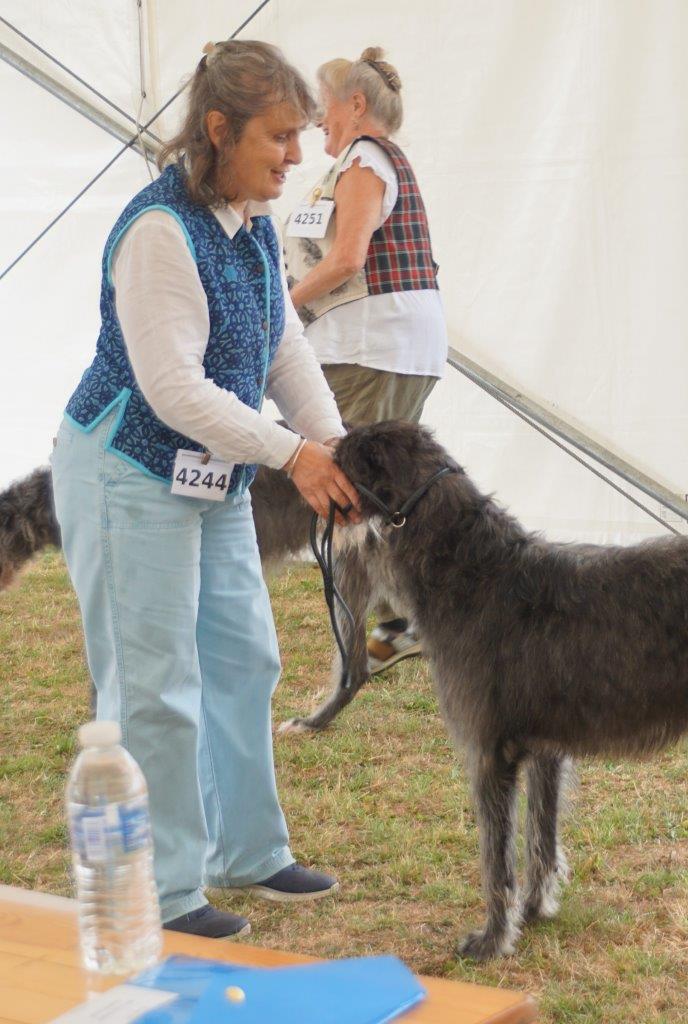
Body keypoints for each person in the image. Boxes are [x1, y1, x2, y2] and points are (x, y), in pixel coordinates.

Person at [51, 41, 361, 940]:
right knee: (152, 683)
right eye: (279, 137)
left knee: (245, 656)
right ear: (218, 130)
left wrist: (330, 443)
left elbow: (281, 347)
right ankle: (167, 887)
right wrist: (291, 455)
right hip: (125, 472)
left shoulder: (251, 220)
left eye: (301, 135)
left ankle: (249, 850)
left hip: (210, 472)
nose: (296, 157)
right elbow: (173, 390)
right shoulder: (157, 233)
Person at [285, 47, 447, 674]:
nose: (316, 120)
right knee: (379, 495)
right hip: (388, 346)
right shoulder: (368, 160)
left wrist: (283, 306)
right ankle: (394, 631)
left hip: (371, 347)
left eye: (323, 106)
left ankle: (373, 642)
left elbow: (347, 258)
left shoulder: (363, 159)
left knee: (349, 493)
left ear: (355, 105)